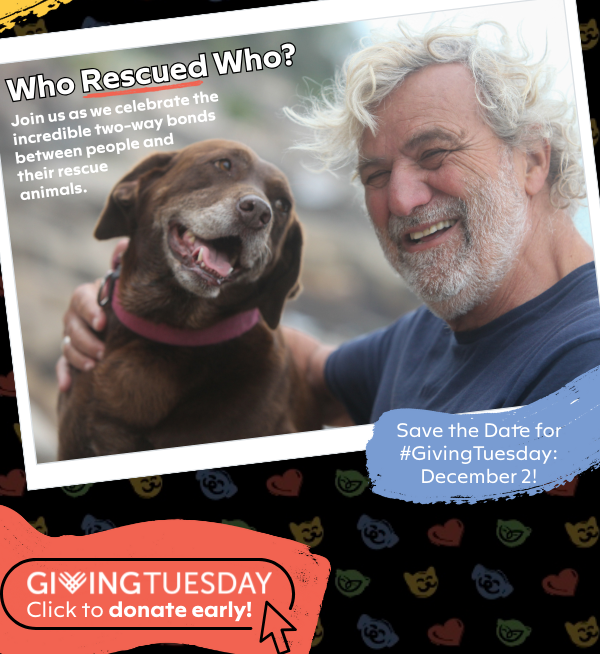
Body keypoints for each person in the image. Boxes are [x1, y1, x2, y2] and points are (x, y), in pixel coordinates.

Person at [57, 22, 600, 424]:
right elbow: (312, 367)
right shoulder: (432, 332)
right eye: (376, 174)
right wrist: (127, 310)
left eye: (435, 153)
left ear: (532, 160)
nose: (404, 200)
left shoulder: (581, 362)